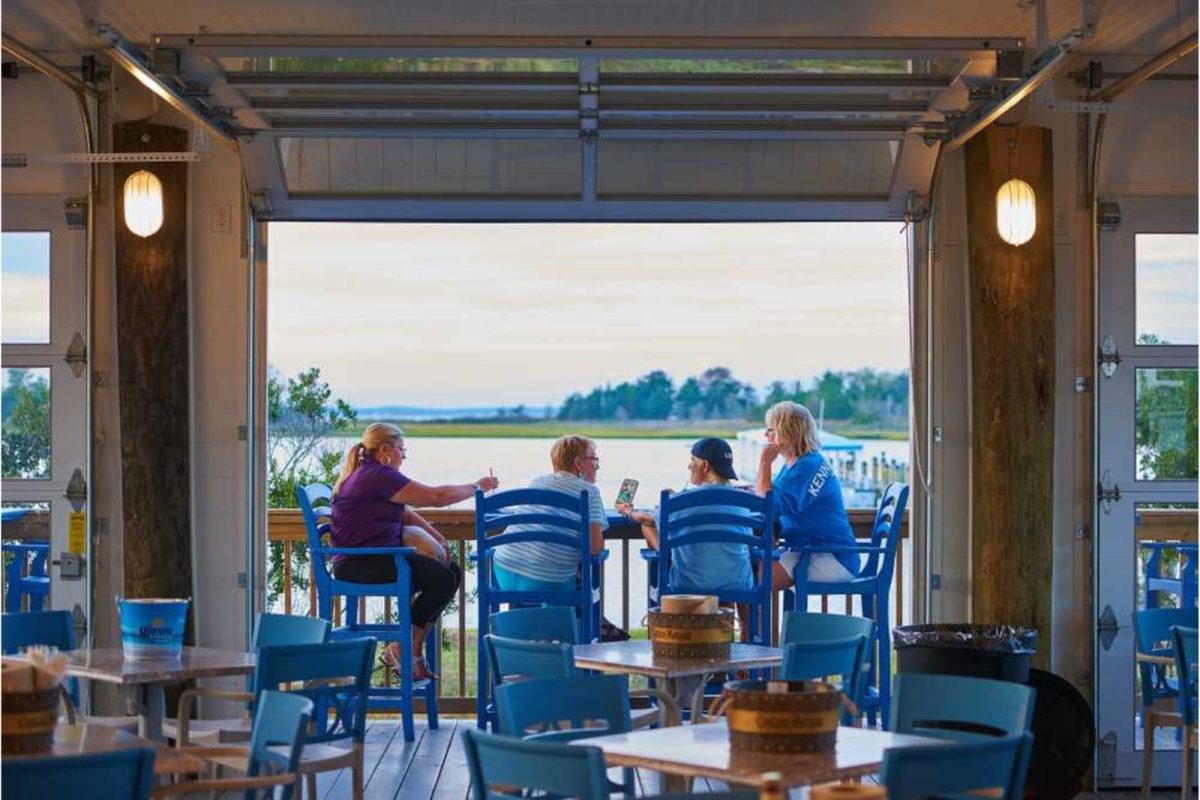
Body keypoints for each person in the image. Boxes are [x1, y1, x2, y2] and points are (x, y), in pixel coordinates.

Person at [331, 422, 499, 680]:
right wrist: (476, 486)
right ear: (385, 449)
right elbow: (436, 497)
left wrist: (437, 537)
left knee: (450, 572)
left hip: (370, 559)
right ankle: (405, 648)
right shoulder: (378, 475)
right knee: (441, 578)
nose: (404, 456)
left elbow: (405, 513)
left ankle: (407, 648)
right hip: (362, 563)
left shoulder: (369, 474)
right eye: (402, 449)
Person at [618, 437, 754, 638]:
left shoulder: (679, 500)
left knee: (651, 528)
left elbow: (647, 519)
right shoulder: (745, 501)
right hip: (736, 584)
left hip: (688, 584)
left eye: (692, 460)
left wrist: (628, 512)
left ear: (705, 466)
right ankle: (748, 646)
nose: (688, 465)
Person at [756, 401, 859, 591]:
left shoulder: (806, 467)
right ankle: (752, 622)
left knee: (747, 578)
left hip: (830, 556)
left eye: (771, 429)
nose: (766, 435)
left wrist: (764, 463)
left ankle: (748, 622)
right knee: (746, 572)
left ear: (787, 432)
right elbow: (771, 497)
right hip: (816, 551)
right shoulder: (801, 464)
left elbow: (768, 506)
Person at [491, 435, 607, 593]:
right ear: (578, 463)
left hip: (503, 570)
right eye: (593, 459)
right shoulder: (590, 492)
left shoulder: (537, 482)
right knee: (581, 581)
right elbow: (595, 548)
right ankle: (586, 618)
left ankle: (522, 617)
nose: (597, 466)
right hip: (547, 582)